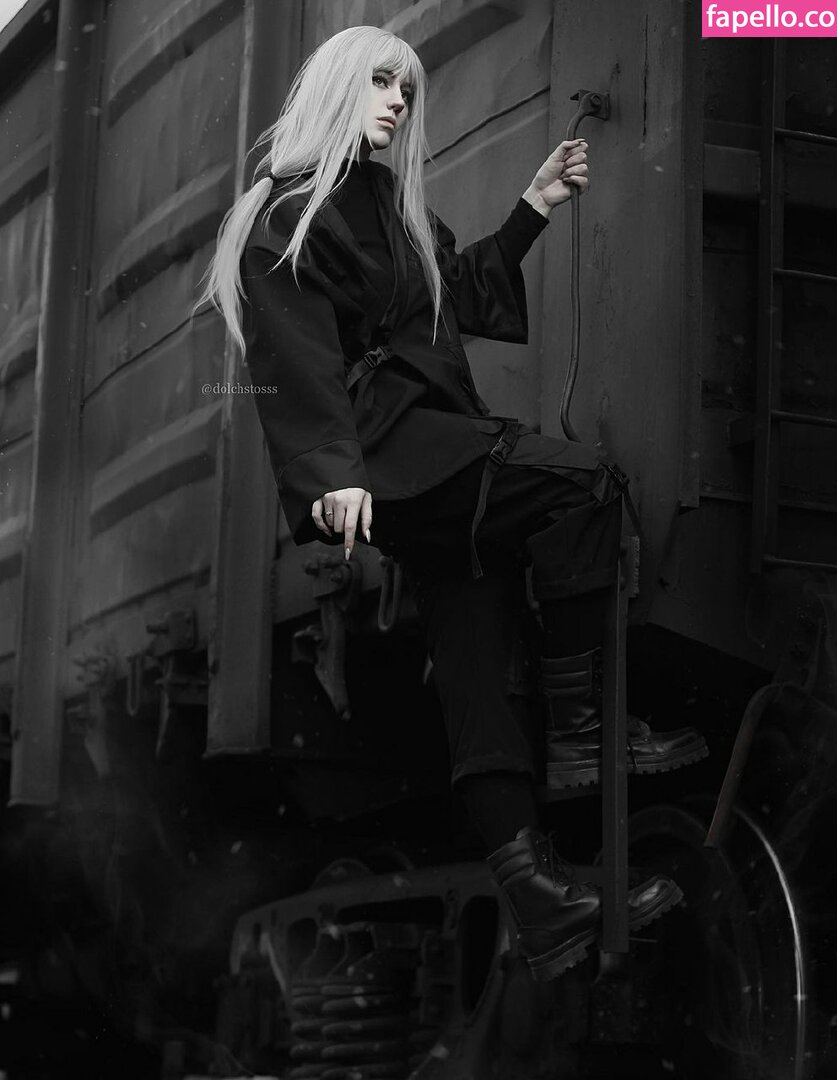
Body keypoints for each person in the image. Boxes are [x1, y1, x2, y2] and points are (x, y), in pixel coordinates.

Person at [201, 25, 707, 983]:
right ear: (339, 88)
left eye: (407, 87)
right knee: (584, 487)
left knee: (476, 665)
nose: (397, 100)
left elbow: (451, 296)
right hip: (394, 453)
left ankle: (540, 901)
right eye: (380, 82)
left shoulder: (391, 209)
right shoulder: (289, 212)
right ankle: (582, 739)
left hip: (419, 453)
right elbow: (291, 355)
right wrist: (333, 473)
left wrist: (533, 208)